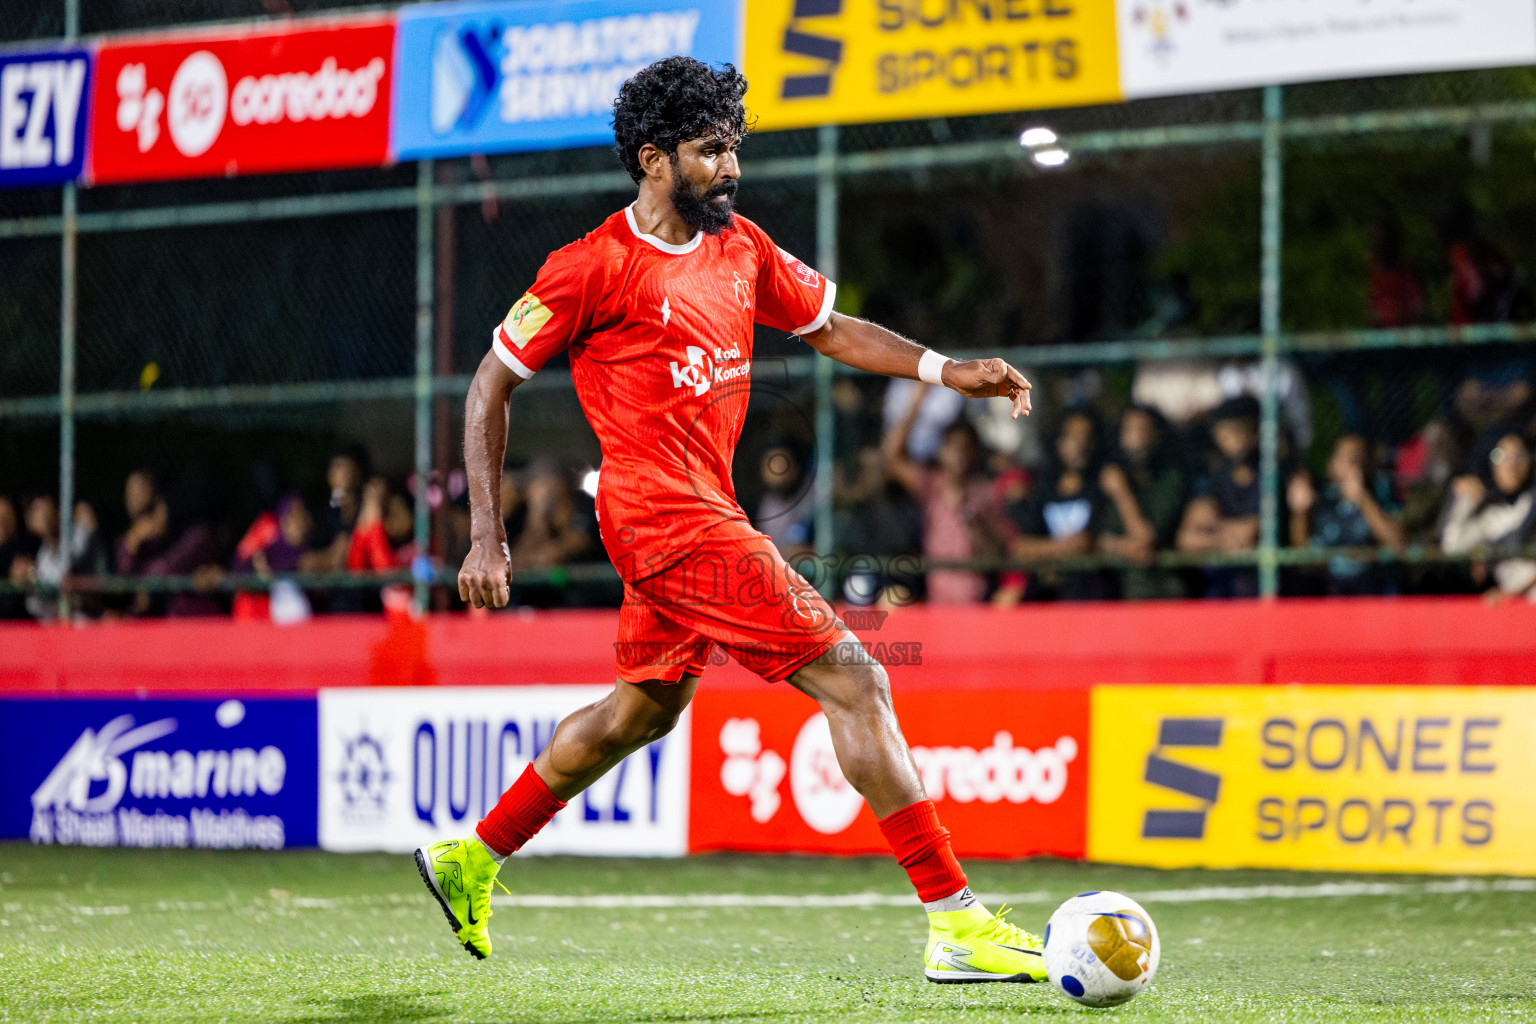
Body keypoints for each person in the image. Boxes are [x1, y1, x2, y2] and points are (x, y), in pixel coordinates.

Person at [422, 57, 1042, 984]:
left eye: (734, 148)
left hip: (704, 512)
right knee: (858, 677)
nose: (731, 167)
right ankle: (954, 919)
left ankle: (471, 857)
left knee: (641, 712)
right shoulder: (590, 268)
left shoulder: (742, 247)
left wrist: (948, 371)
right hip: (665, 523)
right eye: (711, 152)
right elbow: (490, 382)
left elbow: (832, 327)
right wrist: (485, 533)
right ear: (653, 158)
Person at [883, 384, 1008, 604]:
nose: (958, 454)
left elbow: (998, 554)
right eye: (952, 446)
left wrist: (975, 524)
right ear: (941, 451)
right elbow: (892, 457)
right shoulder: (931, 487)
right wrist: (917, 401)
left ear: (974, 453)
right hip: (938, 607)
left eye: (965, 447)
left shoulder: (985, 493)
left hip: (976, 606)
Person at [996, 409, 1107, 602]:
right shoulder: (1044, 489)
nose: (1079, 444)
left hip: (1090, 597)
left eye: (1086, 436)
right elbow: (1022, 547)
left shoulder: (1103, 487)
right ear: (1059, 441)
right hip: (1046, 595)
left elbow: (1096, 542)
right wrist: (1067, 547)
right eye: (1073, 436)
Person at [1287, 434, 1405, 595]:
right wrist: (1299, 513)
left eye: (1355, 460)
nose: (1348, 466)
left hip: (1374, 593)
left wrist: (1363, 499)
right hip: (1331, 594)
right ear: (1331, 463)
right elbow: (1305, 560)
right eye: (1341, 457)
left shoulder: (1380, 491)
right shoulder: (1322, 499)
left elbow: (1396, 544)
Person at [1098, 405, 1187, 600]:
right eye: (1130, 430)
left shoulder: (1170, 480)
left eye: (1144, 430)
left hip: (1162, 589)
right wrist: (1122, 547)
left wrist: (1122, 493)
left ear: (1157, 435)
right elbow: (1098, 538)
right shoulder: (1108, 477)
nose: (1138, 438)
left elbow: (1145, 538)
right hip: (1113, 592)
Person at [1177, 396, 1262, 598]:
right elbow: (1187, 539)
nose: (1228, 439)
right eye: (1222, 433)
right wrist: (1225, 537)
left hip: (1260, 581)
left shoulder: (1272, 475)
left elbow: (1249, 534)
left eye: (1236, 431)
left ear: (1255, 432)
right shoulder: (1217, 479)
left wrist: (1216, 528)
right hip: (1223, 582)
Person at [1440, 429, 1536, 601]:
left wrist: (1487, 553)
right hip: (1514, 605)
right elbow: (1452, 547)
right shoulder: (1489, 514)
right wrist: (1462, 502)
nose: (1510, 464)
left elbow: (1518, 539)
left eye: (1518, 455)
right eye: (1500, 456)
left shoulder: (1531, 502)